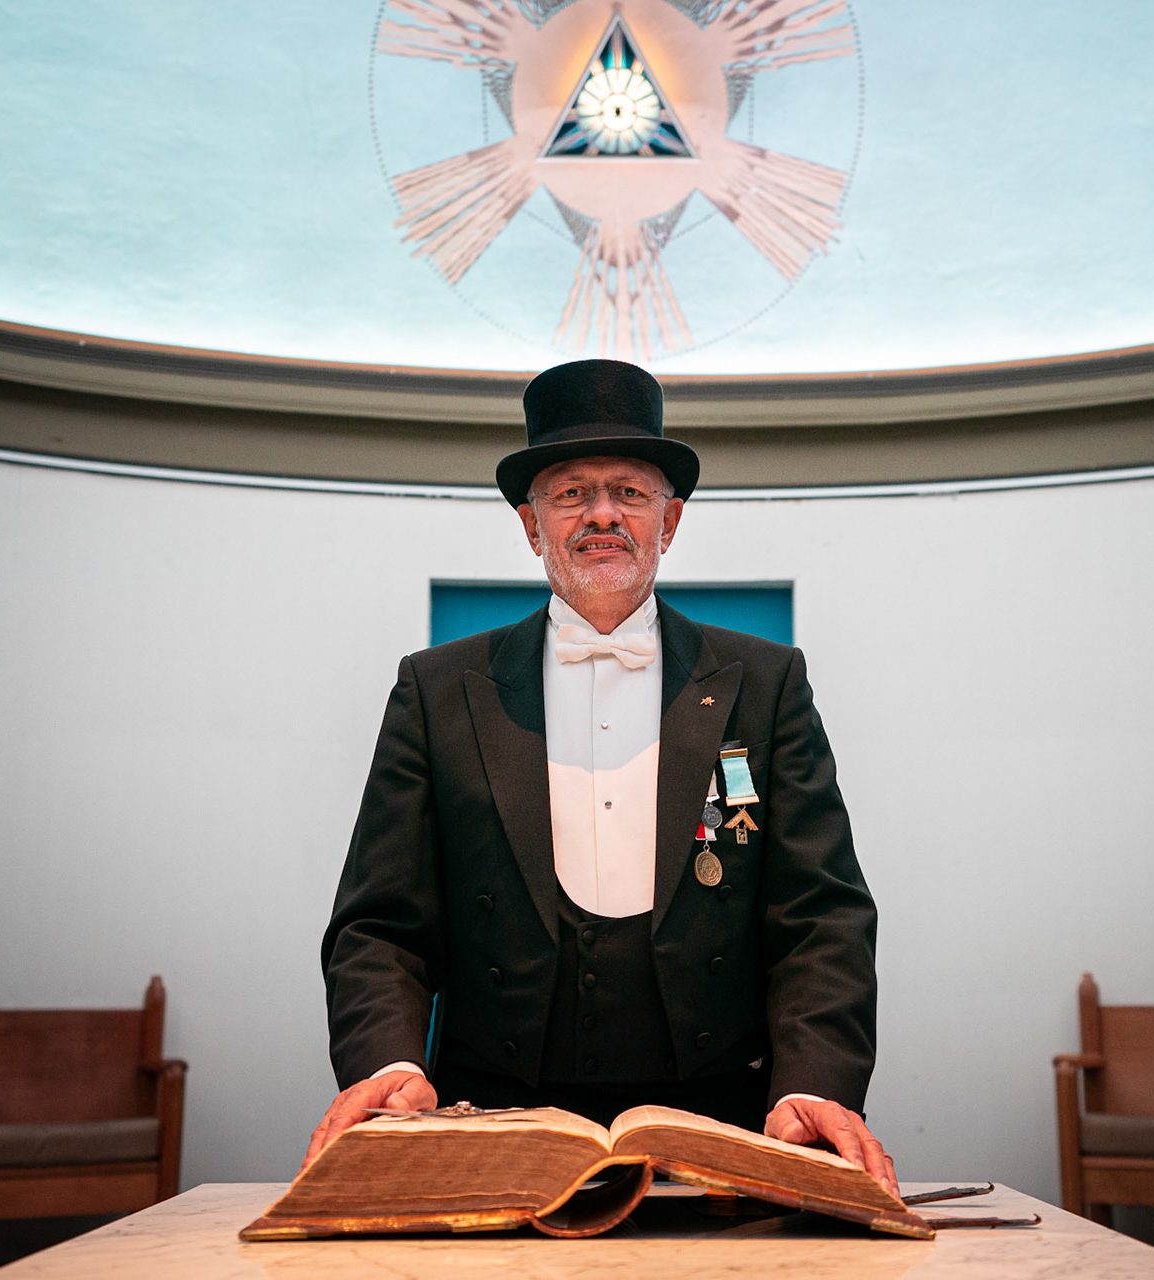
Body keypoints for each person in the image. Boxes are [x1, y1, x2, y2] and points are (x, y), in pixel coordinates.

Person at [306, 358, 895, 1192]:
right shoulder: (436, 690)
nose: (602, 514)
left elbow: (821, 917)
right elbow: (379, 925)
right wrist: (388, 1061)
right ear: (530, 523)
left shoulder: (765, 686)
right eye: (572, 492)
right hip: (494, 1121)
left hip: (721, 1123)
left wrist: (813, 1081)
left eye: (628, 489)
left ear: (671, 519)